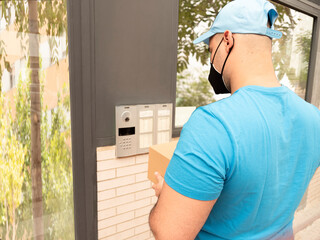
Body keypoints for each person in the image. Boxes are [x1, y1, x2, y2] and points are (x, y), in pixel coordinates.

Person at [148, 0, 320, 239]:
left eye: (211, 51)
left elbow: (168, 231)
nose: (212, 62)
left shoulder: (212, 125)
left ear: (227, 40)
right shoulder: (314, 119)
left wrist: (169, 198)